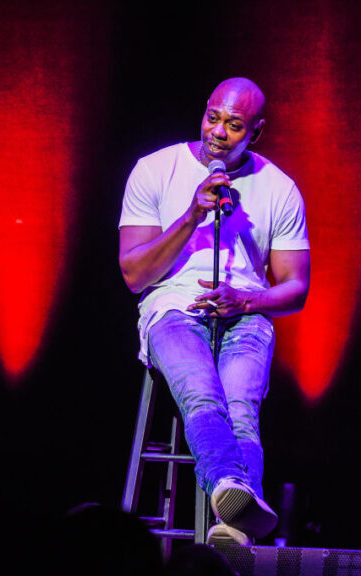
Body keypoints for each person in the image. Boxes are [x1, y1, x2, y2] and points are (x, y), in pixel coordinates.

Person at [119, 77, 311, 544]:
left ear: (256, 132)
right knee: (204, 392)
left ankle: (232, 516)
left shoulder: (279, 188)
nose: (218, 132)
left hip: (244, 310)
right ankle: (234, 492)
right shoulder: (155, 169)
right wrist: (190, 217)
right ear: (204, 112)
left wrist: (245, 299)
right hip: (173, 307)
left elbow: (296, 289)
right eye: (213, 117)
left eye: (234, 125)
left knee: (241, 404)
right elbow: (134, 275)